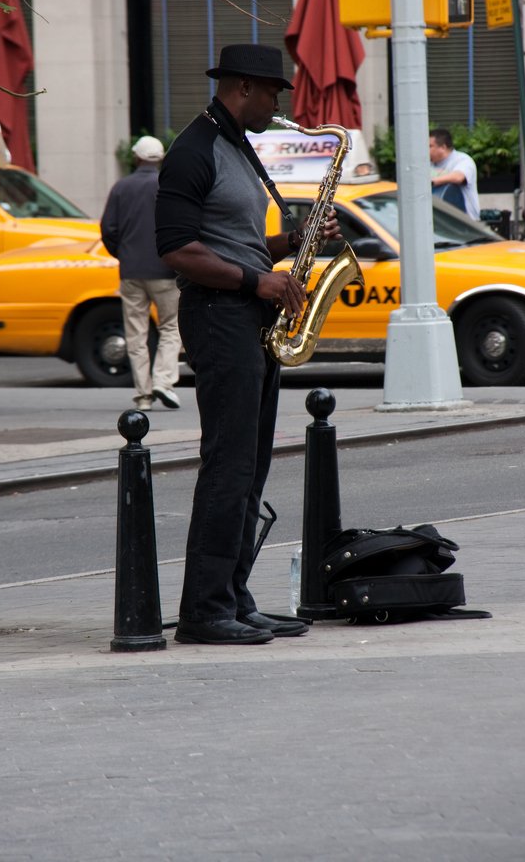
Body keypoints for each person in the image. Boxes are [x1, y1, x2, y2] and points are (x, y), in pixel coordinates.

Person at [155, 43, 341, 646]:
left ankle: (233, 595)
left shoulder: (237, 146)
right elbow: (178, 248)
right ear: (241, 88)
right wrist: (257, 279)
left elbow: (237, 244)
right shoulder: (193, 150)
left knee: (252, 465)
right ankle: (205, 610)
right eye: (271, 93)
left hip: (247, 314)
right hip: (219, 315)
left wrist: (294, 241)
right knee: (229, 465)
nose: (278, 105)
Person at [101, 135, 181, 412]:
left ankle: (143, 395)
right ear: (160, 159)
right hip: (166, 270)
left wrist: (123, 254)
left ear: (136, 158)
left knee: (136, 334)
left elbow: (108, 230)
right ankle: (164, 380)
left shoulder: (121, 187)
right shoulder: (168, 185)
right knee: (171, 326)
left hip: (131, 271)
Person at [429, 127, 480, 220]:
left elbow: (458, 177)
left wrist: (432, 181)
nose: (426, 150)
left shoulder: (462, 160)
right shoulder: (428, 164)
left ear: (443, 147)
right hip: (438, 221)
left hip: (466, 223)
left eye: (430, 146)